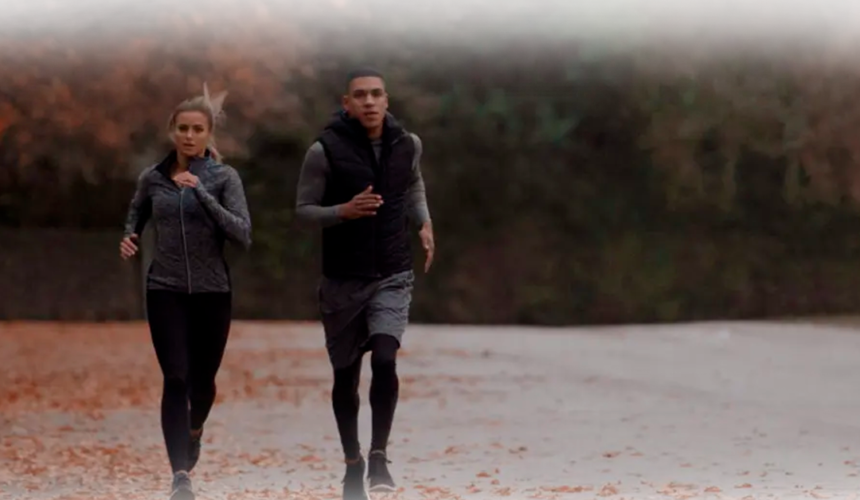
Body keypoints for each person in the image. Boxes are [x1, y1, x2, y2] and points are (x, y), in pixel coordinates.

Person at [295, 67, 435, 500]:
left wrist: (425, 223)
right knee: (344, 377)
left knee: (386, 359)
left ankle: (378, 455)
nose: (370, 102)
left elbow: (413, 185)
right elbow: (303, 209)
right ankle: (352, 463)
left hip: (393, 273)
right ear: (347, 103)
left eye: (376, 94)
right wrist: (343, 212)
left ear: (387, 100)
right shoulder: (324, 150)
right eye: (361, 95)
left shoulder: (406, 144)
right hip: (342, 280)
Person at [119, 84, 252, 500]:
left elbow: (243, 234)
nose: (190, 136)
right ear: (172, 131)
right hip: (165, 289)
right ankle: (180, 475)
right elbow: (137, 211)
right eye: (183, 129)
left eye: (198, 129)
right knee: (175, 378)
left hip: (213, 291)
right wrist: (130, 236)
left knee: (203, 382)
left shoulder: (226, 178)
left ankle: (194, 431)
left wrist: (203, 195)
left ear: (209, 134)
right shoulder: (154, 178)